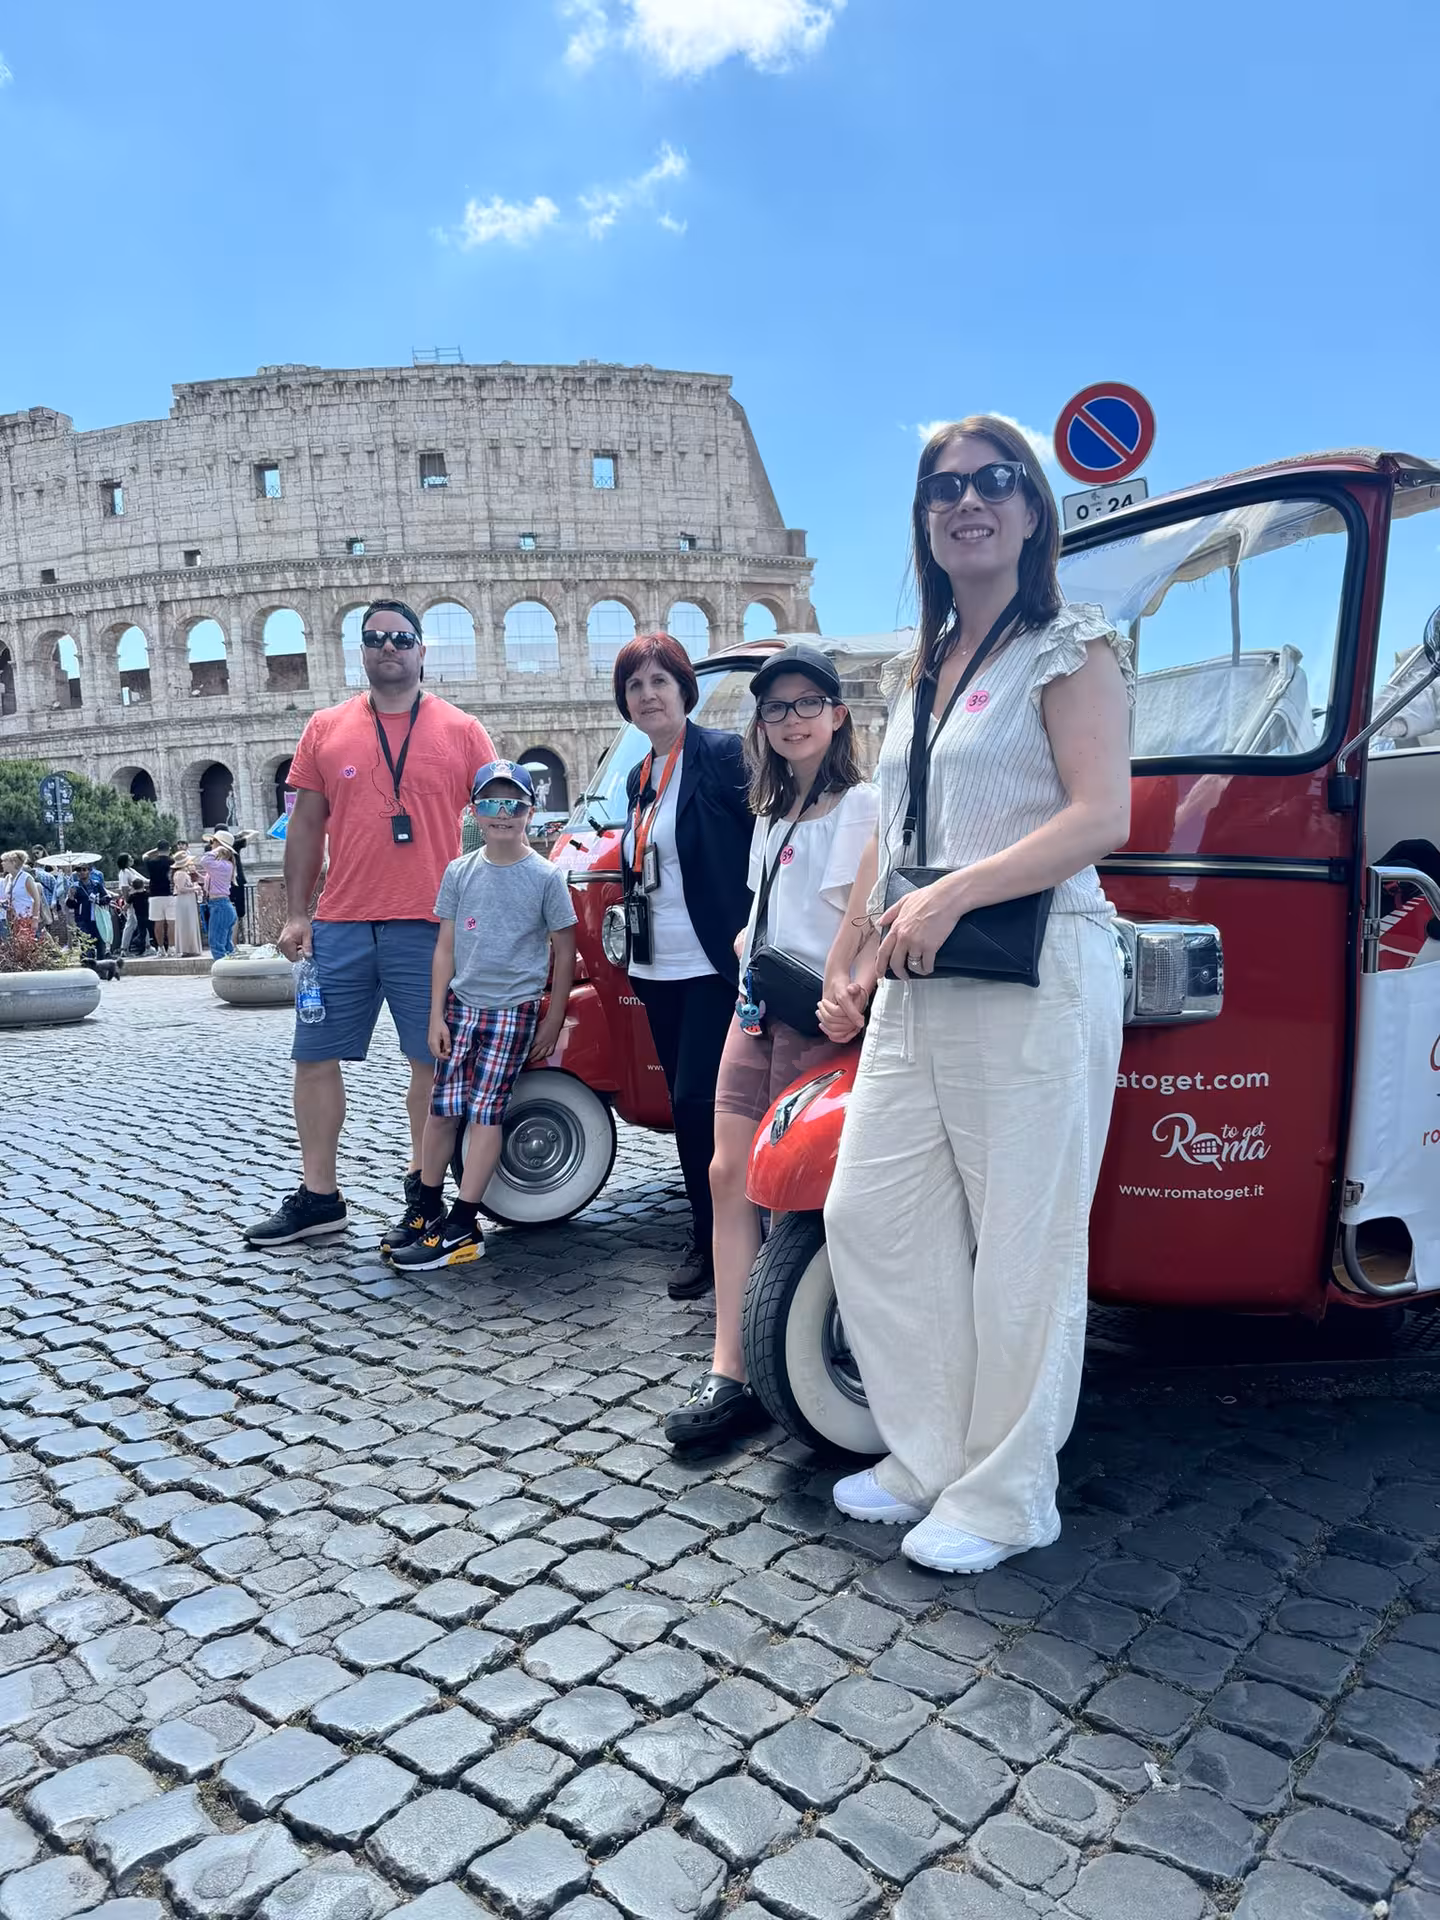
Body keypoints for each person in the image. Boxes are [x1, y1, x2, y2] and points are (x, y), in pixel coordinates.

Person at [817, 416, 1132, 1575]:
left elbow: (1101, 816)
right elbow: (887, 838)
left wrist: (957, 895)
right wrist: (852, 957)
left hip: (1038, 965)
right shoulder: (920, 667)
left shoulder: (1070, 643)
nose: (969, 501)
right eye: (945, 487)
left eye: (995, 482)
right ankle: (933, 1451)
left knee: (1024, 1244)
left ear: (1032, 508)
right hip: (920, 974)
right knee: (873, 1216)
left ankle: (1008, 1494)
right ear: (924, 517)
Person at [665, 645, 879, 1448]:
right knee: (728, 1175)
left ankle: (799, 1346)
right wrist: (748, 936)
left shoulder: (863, 805)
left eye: (806, 704)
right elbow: (766, 906)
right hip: (755, 1008)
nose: (790, 720)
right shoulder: (769, 809)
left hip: (816, 1017)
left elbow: (871, 916)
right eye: (775, 708)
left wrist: (849, 986)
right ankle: (732, 1368)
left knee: (794, 1186)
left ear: (838, 713)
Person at [245, 599, 496, 1248]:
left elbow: (499, 823)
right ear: (361, 650)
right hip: (341, 925)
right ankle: (320, 1197)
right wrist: (299, 912)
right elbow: (305, 827)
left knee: (430, 1065)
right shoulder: (326, 728)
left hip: (430, 928)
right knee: (315, 1057)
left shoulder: (463, 730)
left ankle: (424, 1198)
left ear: (421, 650)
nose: (389, 647)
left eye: (402, 638)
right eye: (376, 638)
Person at [388, 761, 577, 1269]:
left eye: (513, 805)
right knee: (442, 1111)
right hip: (461, 1008)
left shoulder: (545, 877)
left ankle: (464, 1220)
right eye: (491, 804)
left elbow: (563, 945)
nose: (503, 814)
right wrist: (436, 1014)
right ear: (475, 811)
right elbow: (445, 946)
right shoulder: (460, 871)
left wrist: (553, 1016)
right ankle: (426, 1207)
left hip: (512, 1012)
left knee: (485, 1112)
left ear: (530, 813)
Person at [615, 632, 754, 1299]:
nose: (647, 695)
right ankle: (711, 1226)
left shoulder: (722, 755)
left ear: (683, 689)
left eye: (658, 682)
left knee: (702, 1102)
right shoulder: (640, 775)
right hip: (658, 965)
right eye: (635, 686)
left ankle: (717, 1239)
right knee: (684, 1102)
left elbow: (768, 839)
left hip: (714, 963)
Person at [200, 832, 238, 958]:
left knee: (216, 945)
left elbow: (204, 860)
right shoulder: (225, 865)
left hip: (219, 906)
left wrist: (218, 849)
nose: (211, 845)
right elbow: (214, 883)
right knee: (226, 945)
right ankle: (232, 973)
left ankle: (223, 973)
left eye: (213, 842)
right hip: (222, 905)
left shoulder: (222, 865)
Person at [68, 859, 114, 964]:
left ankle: (101, 967)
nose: (81, 872)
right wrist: (70, 897)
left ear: (89, 871)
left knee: (99, 942)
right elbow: (71, 905)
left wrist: (98, 900)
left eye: (84, 870)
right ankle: (88, 966)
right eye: (78, 870)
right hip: (82, 918)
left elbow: (107, 898)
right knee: (86, 944)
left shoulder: (96, 884)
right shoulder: (75, 886)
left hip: (97, 918)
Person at [143, 841, 175, 955]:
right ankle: (171, 947)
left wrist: (155, 850)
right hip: (170, 894)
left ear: (158, 849)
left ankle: (160, 948)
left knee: (158, 923)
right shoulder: (172, 861)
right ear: (169, 849)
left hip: (155, 894)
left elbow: (144, 856)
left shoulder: (152, 862)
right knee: (171, 922)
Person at [0, 850, 41, 936]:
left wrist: (35, 919)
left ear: (13, 862)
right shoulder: (8, 878)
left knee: (30, 946)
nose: (2, 863)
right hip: (13, 920)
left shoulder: (26, 878)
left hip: (27, 918)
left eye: (5, 861)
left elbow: (36, 899)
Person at [171, 853, 204, 957]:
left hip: (187, 900)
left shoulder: (182, 873)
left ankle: (190, 948)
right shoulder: (180, 874)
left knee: (189, 923)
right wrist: (195, 889)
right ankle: (188, 948)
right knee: (187, 923)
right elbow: (181, 889)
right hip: (184, 901)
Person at [116, 852, 149, 956]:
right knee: (132, 924)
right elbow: (124, 888)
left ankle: (146, 946)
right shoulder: (124, 872)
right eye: (129, 858)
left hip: (139, 900)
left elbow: (143, 880)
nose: (132, 860)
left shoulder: (131, 870)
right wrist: (128, 902)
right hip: (133, 901)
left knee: (140, 923)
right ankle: (125, 949)